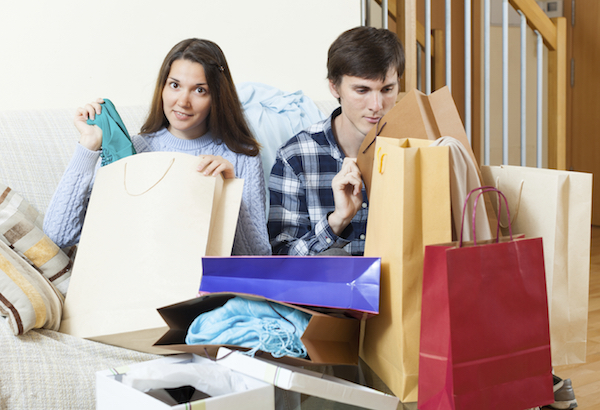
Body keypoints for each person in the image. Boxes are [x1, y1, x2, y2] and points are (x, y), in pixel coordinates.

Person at [44, 38, 271, 256]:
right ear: (162, 88)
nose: (183, 101)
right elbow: (58, 236)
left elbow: (257, 258)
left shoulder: (241, 157)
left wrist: (229, 188)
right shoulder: (132, 150)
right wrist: (89, 145)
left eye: (200, 90)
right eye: (175, 85)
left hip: (205, 290)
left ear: (217, 97)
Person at [268, 26, 405, 256]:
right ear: (334, 87)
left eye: (387, 89)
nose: (377, 105)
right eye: (362, 90)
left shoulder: (416, 147)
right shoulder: (296, 156)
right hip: (327, 289)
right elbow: (281, 258)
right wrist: (337, 221)